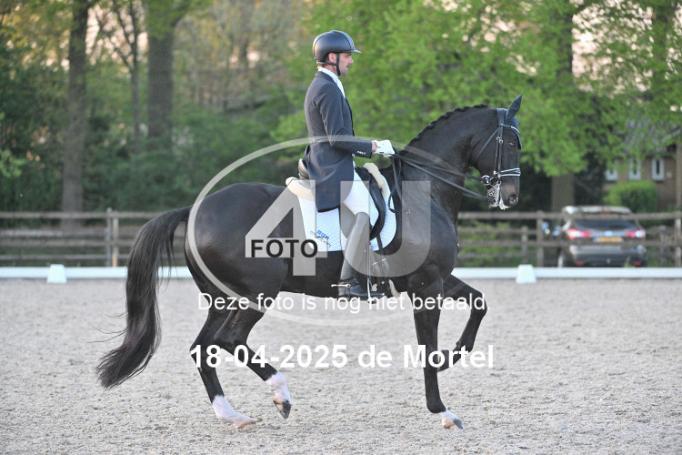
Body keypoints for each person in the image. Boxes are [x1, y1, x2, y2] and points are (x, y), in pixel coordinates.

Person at [303, 30, 394, 299]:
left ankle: (372, 273)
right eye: (347, 56)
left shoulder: (327, 83)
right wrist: (372, 147)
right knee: (367, 213)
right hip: (331, 166)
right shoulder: (326, 88)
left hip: (334, 161)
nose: (351, 61)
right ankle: (348, 281)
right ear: (332, 57)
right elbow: (336, 137)